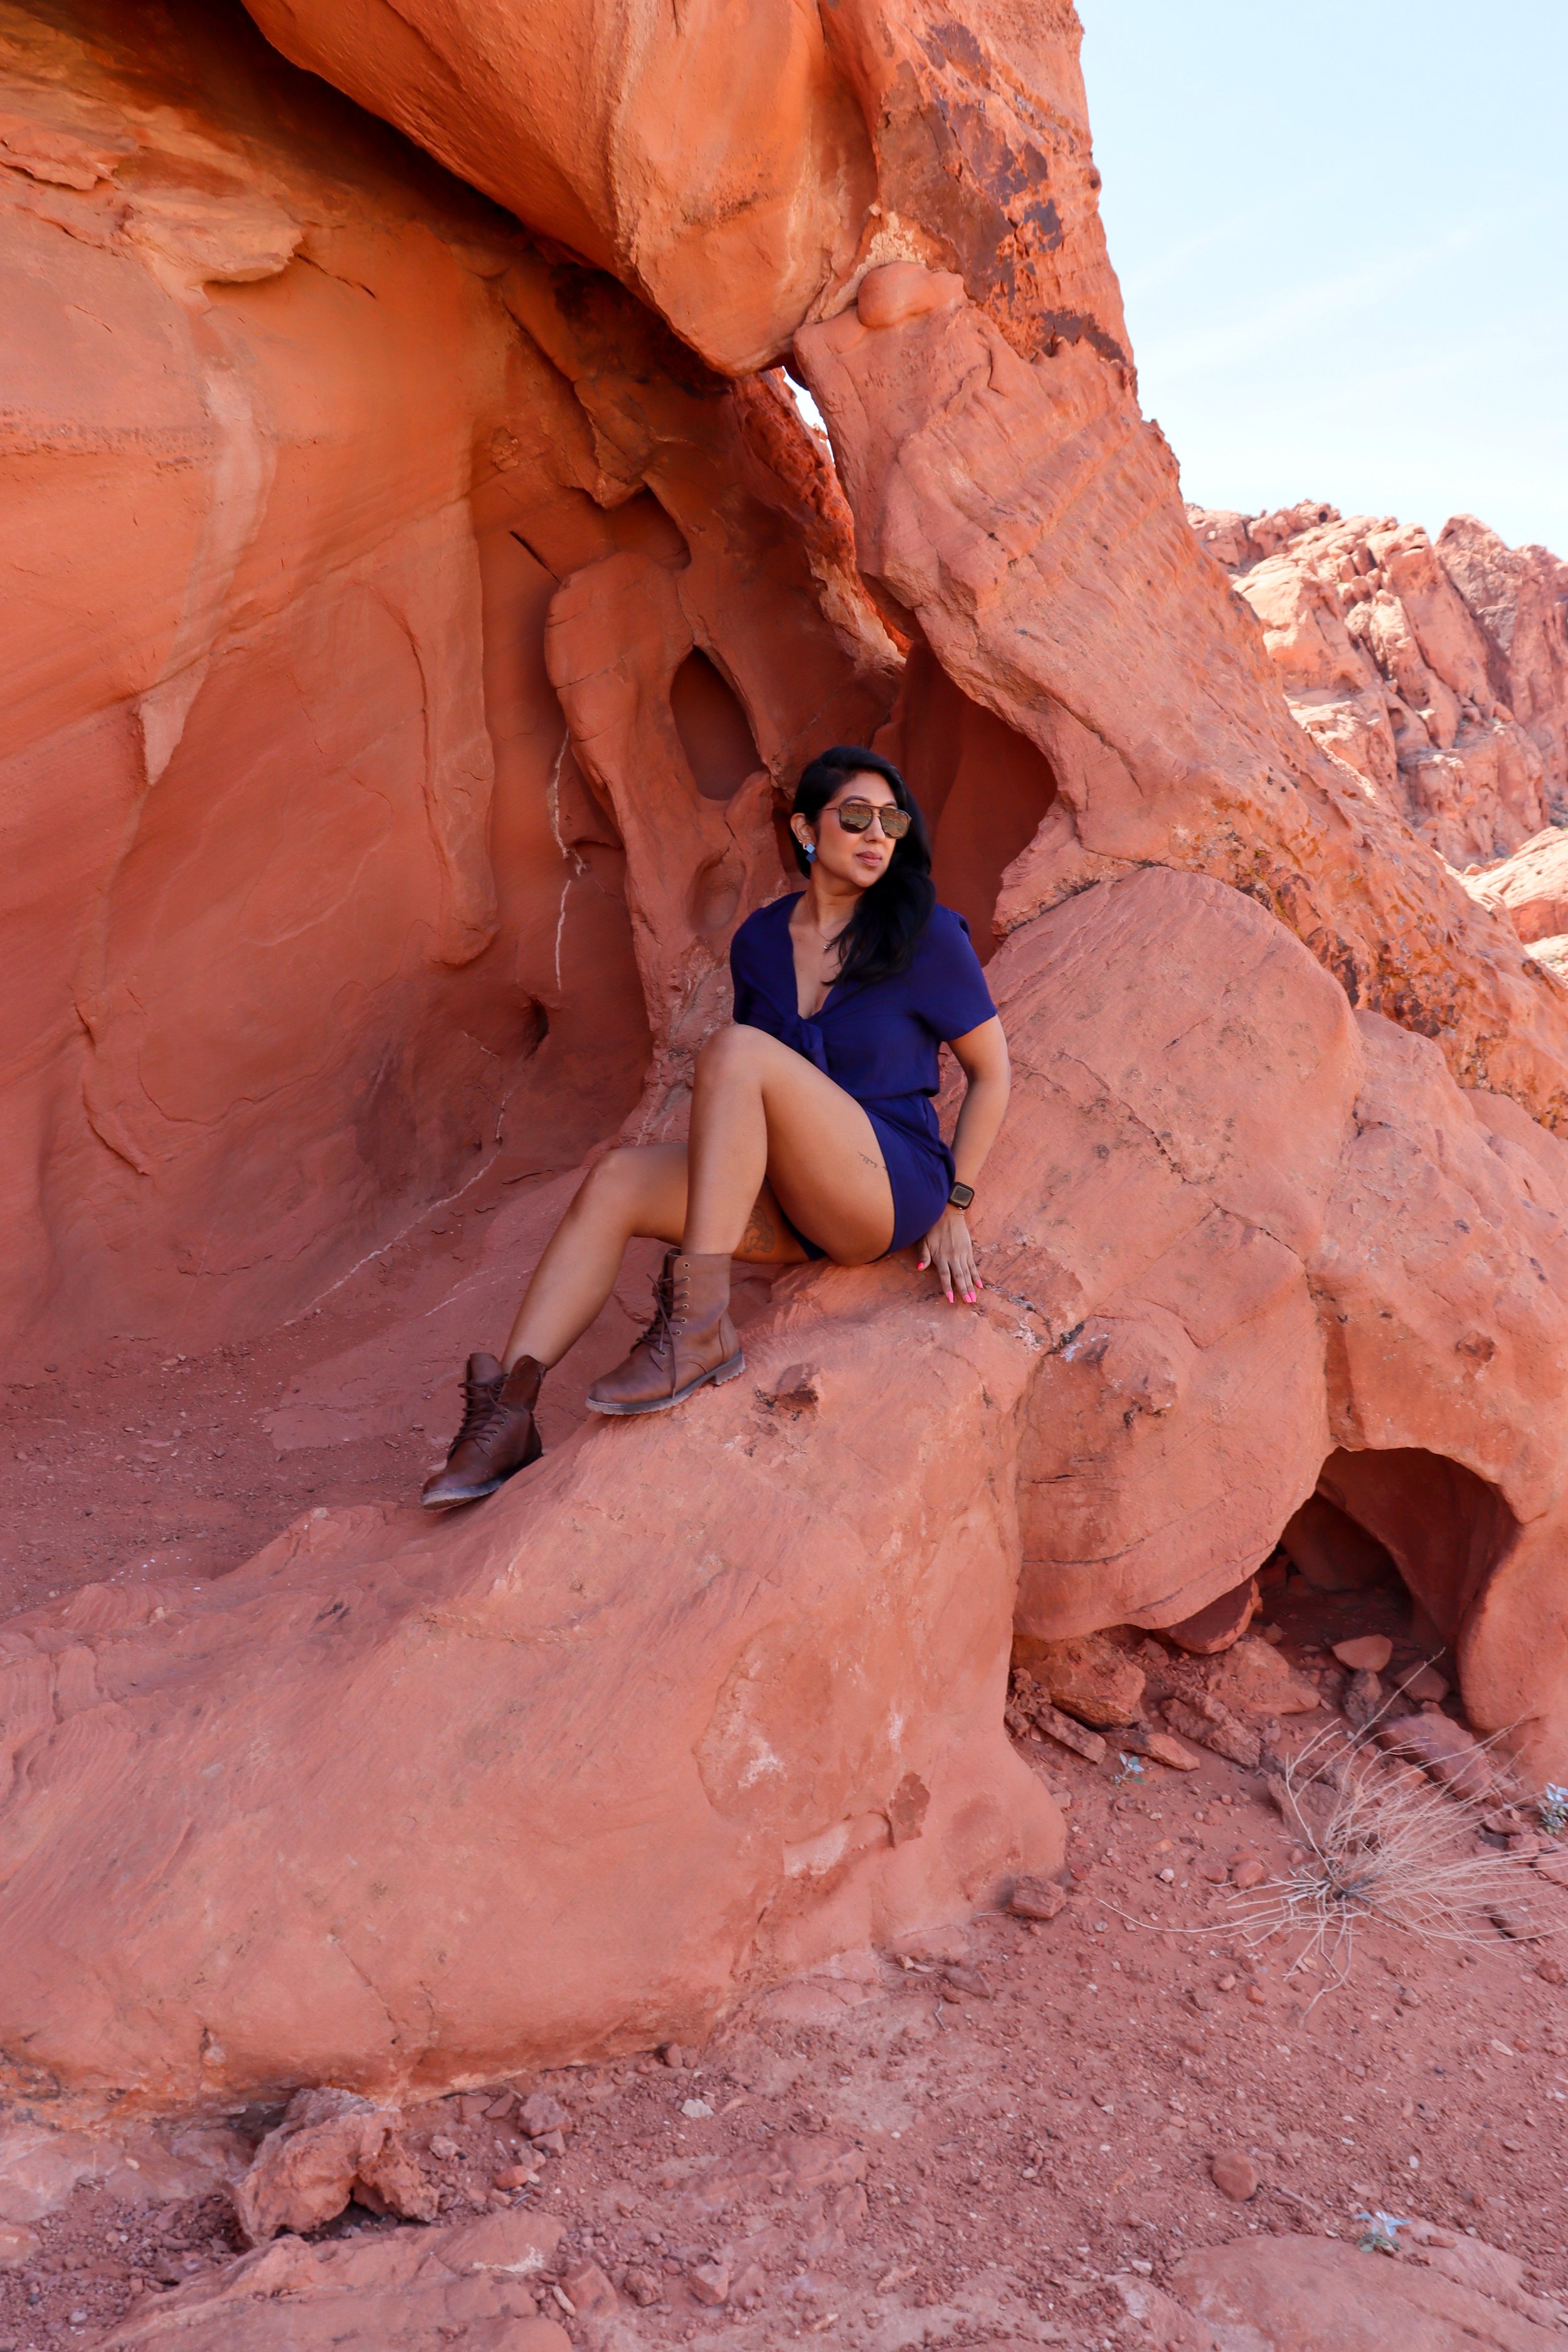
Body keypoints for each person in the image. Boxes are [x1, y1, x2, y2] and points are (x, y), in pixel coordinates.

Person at [420, 744, 1012, 1507]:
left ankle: (698, 1328)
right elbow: (754, 1110)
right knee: (616, 1181)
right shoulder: (760, 942)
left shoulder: (923, 933)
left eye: (891, 821)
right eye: (855, 817)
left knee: (735, 1051)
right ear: (805, 829)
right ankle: (507, 1418)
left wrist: (957, 1201)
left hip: (883, 1188)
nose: (877, 836)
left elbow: (993, 1073)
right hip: (792, 1198)